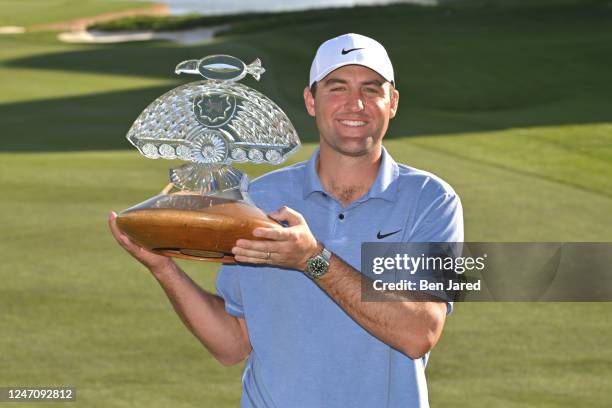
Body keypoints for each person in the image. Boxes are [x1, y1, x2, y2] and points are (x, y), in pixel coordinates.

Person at [109, 33, 463, 407]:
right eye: (337, 88)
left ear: (391, 102)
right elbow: (232, 344)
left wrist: (312, 259)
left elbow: (419, 332)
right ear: (311, 101)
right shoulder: (257, 200)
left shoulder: (430, 200)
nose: (355, 104)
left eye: (371, 89)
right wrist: (164, 269)